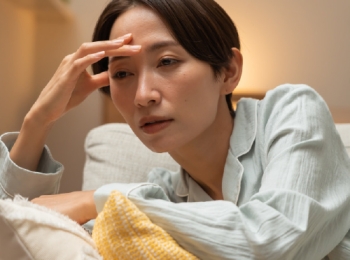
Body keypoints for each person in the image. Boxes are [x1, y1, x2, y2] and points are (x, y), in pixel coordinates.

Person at [1, 0, 350, 259]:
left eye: (167, 62)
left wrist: (99, 199)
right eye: (122, 73)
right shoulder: (164, 195)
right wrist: (38, 122)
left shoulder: (292, 111)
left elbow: (274, 239)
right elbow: (19, 231)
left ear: (228, 71)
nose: (142, 96)